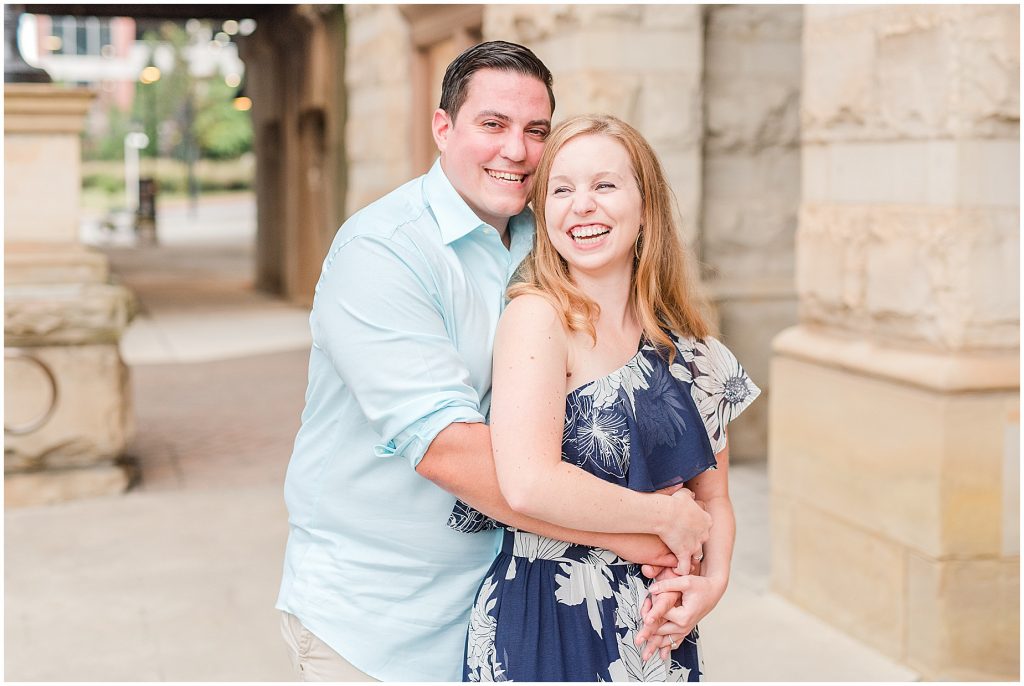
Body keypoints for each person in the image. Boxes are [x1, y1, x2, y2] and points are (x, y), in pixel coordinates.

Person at [276, 42, 712, 682]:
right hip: (379, 621)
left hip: (520, 612)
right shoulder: (382, 252)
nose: (516, 151)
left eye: (536, 131)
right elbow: (448, 448)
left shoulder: (559, 238)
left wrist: (698, 551)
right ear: (442, 127)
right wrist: (647, 531)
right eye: (492, 125)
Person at [462, 114, 761, 682]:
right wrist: (664, 519)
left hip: (656, 631)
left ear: (645, 205)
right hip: (548, 618)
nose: (582, 206)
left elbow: (714, 499)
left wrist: (710, 584)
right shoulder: (537, 319)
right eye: (562, 189)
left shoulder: (693, 350)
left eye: (604, 185)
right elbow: (528, 483)